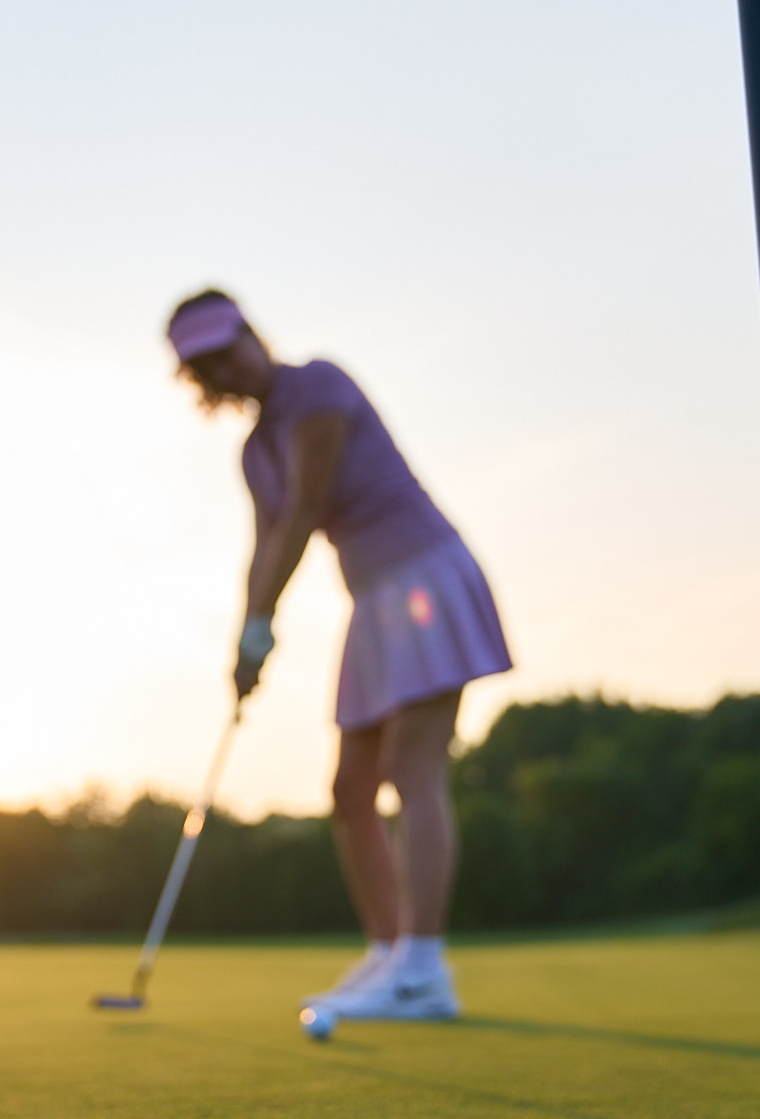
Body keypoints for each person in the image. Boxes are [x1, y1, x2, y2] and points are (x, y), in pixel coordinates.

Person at [167, 289, 512, 1020]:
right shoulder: (254, 450)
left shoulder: (318, 384)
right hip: (374, 601)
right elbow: (263, 544)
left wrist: (266, 619)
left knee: (411, 767)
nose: (227, 365)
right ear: (200, 379)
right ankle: (388, 955)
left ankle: (424, 969)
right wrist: (246, 634)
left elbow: (304, 507)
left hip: (421, 574)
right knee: (351, 789)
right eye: (208, 364)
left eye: (228, 346)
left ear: (252, 334)